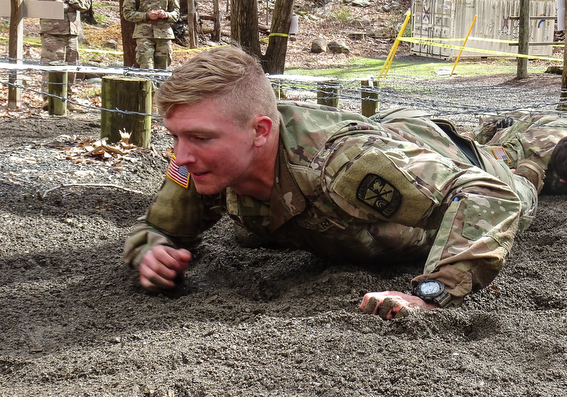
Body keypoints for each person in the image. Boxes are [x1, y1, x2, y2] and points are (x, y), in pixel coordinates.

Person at [122, 46, 538, 320]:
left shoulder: (344, 165)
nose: (181, 155)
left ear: (260, 131)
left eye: (199, 137)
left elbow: (489, 197)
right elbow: (157, 227)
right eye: (175, 136)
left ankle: (521, 154)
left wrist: (431, 294)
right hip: (387, 141)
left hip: (451, 160)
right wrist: (152, 252)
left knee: (520, 179)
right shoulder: (202, 167)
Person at [33, 0, 91, 100]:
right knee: (52, 67)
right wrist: (72, 1)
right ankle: (49, 99)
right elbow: (53, 3)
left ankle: (67, 98)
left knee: (71, 68)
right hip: (53, 33)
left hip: (71, 32)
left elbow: (87, 3)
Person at [121, 0, 180, 70]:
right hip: (144, 36)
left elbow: (176, 13)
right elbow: (127, 13)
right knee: (146, 68)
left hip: (164, 36)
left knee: (162, 70)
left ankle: (160, 88)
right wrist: (146, 15)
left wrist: (166, 15)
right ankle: (148, 88)